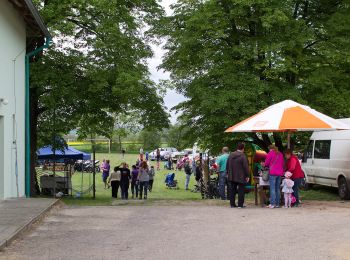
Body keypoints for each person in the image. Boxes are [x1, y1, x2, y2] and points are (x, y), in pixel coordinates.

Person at [226, 143, 249, 208]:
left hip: (232, 175)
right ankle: (240, 205)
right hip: (241, 176)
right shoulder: (243, 155)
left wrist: (228, 173)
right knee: (241, 190)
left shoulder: (231, 155)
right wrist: (247, 175)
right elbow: (246, 166)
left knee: (232, 190)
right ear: (243, 148)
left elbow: (227, 165)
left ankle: (232, 204)